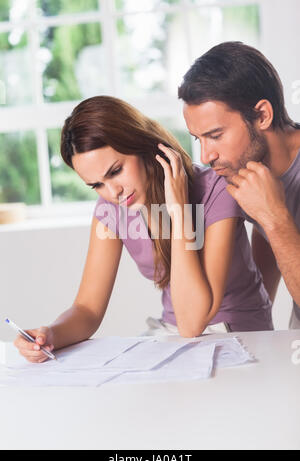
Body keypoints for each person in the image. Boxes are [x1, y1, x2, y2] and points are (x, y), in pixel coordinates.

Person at [14, 96, 272, 363]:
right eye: (97, 185)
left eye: (115, 171)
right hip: (173, 335)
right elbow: (88, 309)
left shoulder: (216, 190)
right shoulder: (112, 208)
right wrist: (50, 335)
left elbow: (193, 322)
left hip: (238, 335)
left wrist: (179, 211)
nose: (112, 192)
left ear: (144, 146)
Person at [178, 41, 300, 328]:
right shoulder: (246, 172)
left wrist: (273, 217)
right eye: (199, 139)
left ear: (262, 115)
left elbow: (276, 223)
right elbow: (270, 243)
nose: (206, 156)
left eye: (216, 135)